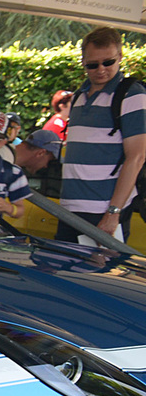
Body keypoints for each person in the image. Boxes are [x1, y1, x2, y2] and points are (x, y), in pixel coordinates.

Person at [60, 26, 146, 242]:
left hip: (103, 211)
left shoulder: (132, 94)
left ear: (120, 57)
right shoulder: (78, 96)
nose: (101, 70)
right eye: (92, 64)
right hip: (69, 208)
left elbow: (137, 156)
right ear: (83, 62)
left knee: (97, 275)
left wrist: (113, 213)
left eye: (108, 62)